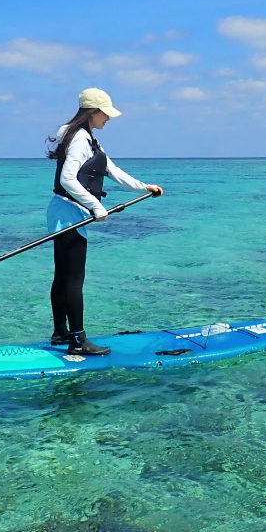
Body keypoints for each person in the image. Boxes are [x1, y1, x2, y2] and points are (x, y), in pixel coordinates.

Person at [45, 88, 163, 355]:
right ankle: (77, 341)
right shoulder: (79, 140)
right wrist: (96, 206)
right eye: (105, 113)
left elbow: (111, 170)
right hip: (69, 212)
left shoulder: (85, 137)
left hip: (62, 210)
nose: (108, 119)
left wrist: (144, 187)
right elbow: (67, 179)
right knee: (73, 279)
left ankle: (60, 333)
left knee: (63, 276)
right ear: (92, 112)